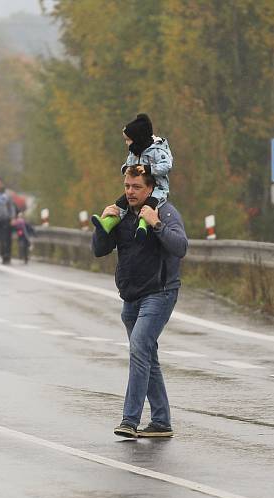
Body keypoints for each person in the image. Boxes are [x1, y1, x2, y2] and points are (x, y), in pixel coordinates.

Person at [92, 164, 187, 440]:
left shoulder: (165, 211)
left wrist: (156, 224)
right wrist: (104, 225)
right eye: (126, 186)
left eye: (136, 187)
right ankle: (161, 421)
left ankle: (129, 420)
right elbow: (99, 251)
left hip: (160, 292)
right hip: (131, 297)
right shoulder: (122, 213)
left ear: (150, 188)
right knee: (147, 356)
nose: (130, 192)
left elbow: (180, 247)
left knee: (138, 348)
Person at [91, 113, 173, 241]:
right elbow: (127, 164)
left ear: (138, 139)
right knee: (121, 203)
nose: (126, 143)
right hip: (141, 187)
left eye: (128, 140)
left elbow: (167, 166)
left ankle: (143, 225)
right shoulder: (134, 152)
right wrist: (126, 169)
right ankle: (108, 222)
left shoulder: (157, 151)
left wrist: (148, 169)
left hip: (158, 188)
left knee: (150, 205)